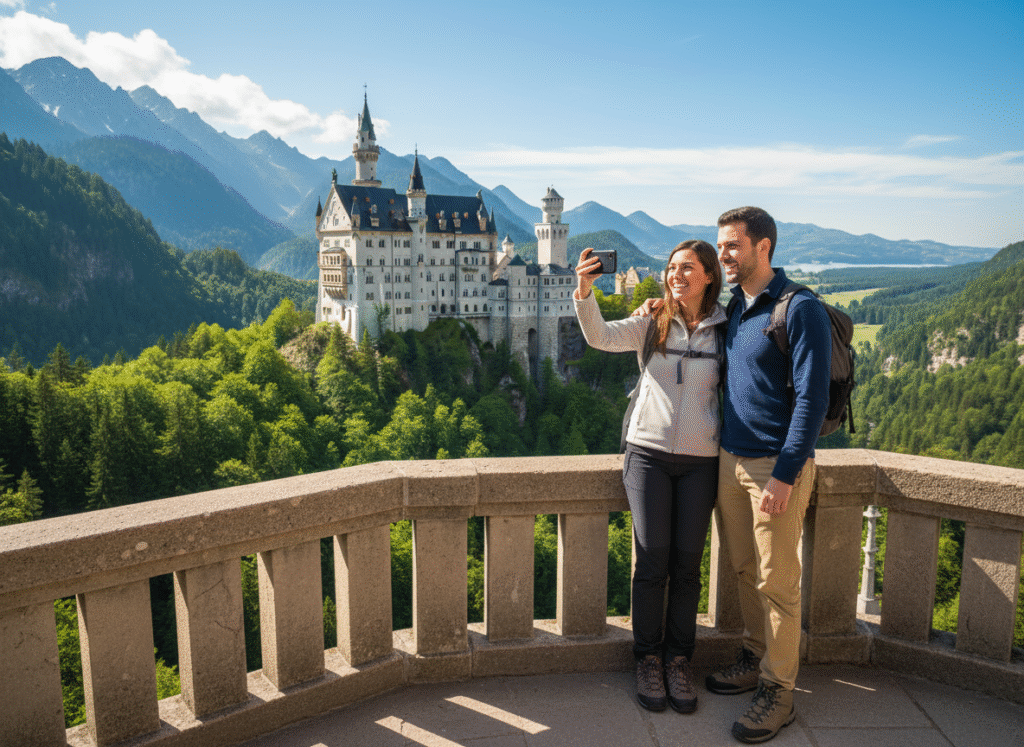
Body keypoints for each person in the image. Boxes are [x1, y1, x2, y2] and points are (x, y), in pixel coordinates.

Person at [634, 207, 831, 743]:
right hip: (728, 460)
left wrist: (786, 474)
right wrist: (662, 305)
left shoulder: (800, 309)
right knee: (744, 568)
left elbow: (812, 401)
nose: (723, 255)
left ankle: (778, 690)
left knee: (778, 582)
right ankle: (754, 654)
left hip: (775, 467)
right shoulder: (736, 310)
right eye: (720, 247)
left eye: (732, 246)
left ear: (763, 247)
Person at [573, 240, 726, 714]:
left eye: (688, 268)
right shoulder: (651, 321)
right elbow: (599, 336)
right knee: (652, 559)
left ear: (708, 276)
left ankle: (679, 659)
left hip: (702, 460)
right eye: (672, 268)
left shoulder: (727, 328)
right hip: (648, 456)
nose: (677, 275)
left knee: (686, 564)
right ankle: (647, 660)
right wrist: (584, 290)